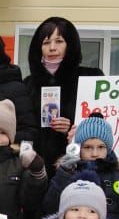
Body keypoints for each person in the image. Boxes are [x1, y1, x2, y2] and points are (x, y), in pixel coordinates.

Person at [26, 18, 105, 179]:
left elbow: (103, 124)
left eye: (59, 41)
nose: (52, 48)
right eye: (46, 42)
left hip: (80, 166)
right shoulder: (29, 83)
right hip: (38, 170)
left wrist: (72, 129)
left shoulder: (90, 78)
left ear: (70, 44)